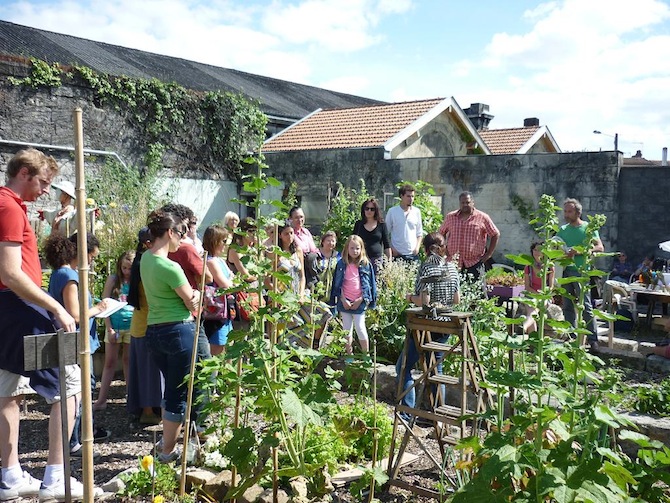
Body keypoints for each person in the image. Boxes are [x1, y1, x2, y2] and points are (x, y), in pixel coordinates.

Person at [0, 149, 97, 501]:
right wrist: (57, 307)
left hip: (7, 310)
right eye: (43, 182)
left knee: (7, 391)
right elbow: (10, 273)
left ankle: (10, 478)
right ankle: (56, 478)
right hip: (21, 305)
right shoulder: (9, 206)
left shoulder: (7, 204)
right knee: (71, 383)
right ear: (24, 173)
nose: (45, 191)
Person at [140, 209, 201, 463]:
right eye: (180, 233)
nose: (182, 238)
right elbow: (191, 301)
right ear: (169, 233)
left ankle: (172, 444)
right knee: (178, 394)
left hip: (154, 331)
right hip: (179, 331)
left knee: (171, 391)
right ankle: (168, 452)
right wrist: (196, 295)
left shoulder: (145, 258)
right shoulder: (171, 266)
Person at [44, 233, 111, 456]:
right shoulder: (69, 275)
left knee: (77, 390)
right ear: (81, 253)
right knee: (79, 390)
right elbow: (76, 315)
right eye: (92, 256)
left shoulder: (59, 273)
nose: (92, 261)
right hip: (76, 343)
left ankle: (77, 436)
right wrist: (100, 309)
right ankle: (74, 440)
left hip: (73, 342)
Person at [395, 232, 460, 411]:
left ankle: (407, 412)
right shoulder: (452, 268)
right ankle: (438, 415)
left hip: (426, 325)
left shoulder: (427, 267)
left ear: (425, 249)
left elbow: (424, 301)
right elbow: (456, 300)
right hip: (446, 325)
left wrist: (409, 297)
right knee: (436, 369)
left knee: (403, 367)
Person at [126, 228, 163, 425]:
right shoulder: (146, 265)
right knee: (149, 372)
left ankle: (147, 409)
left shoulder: (138, 263)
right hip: (148, 324)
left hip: (139, 323)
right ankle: (148, 411)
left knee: (142, 370)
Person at [557, 198, 604, 351]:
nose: (566, 214)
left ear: (578, 212)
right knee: (568, 306)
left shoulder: (588, 228)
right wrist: (562, 252)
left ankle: (593, 340)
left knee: (586, 306)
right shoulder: (563, 230)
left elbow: (599, 247)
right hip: (566, 270)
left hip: (582, 271)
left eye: (569, 211)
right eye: (565, 211)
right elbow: (556, 245)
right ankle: (571, 337)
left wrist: (583, 251)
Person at [94, 250, 135, 411]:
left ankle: (131, 397)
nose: (127, 272)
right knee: (109, 362)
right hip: (115, 326)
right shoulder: (113, 280)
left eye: (130, 268)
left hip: (131, 326)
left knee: (128, 361)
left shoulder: (136, 281)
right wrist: (109, 328)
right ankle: (101, 399)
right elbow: (104, 305)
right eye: (124, 268)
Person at [330, 235, 376, 354]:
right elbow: (337, 284)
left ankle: (366, 355)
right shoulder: (341, 264)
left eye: (357, 248)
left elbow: (370, 285)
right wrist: (343, 299)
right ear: (347, 249)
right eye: (352, 248)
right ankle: (348, 354)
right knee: (346, 329)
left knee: (360, 327)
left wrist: (361, 299)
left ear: (361, 249)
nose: (354, 251)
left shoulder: (365, 264)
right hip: (345, 301)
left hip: (359, 301)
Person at [438, 191, 500, 281]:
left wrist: (489, 254)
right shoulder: (451, 217)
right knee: (452, 291)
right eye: (462, 203)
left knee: (474, 291)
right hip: (453, 262)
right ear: (459, 203)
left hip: (474, 262)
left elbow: (495, 234)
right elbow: (441, 233)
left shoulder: (482, 217)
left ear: (473, 202)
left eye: (467, 202)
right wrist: (444, 250)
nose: (465, 205)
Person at [202, 224, 234, 356]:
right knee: (218, 351)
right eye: (224, 241)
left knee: (229, 348)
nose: (226, 244)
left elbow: (232, 278)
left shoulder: (219, 260)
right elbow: (226, 285)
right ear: (215, 241)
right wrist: (232, 282)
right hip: (217, 314)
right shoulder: (210, 261)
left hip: (226, 311)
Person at [520, 241, 555, 334]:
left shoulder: (549, 266)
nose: (536, 252)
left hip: (544, 296)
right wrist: (536, 295)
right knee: (532, 312)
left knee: (532, 312)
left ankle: (524, 327)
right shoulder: (528, 267)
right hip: (531, 294)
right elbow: (527, 286)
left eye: (539, 250)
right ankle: (533, 345)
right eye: (534, 250)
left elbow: (551, 286)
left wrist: (543, 295)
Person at [386, 184, 423, 262]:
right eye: (408, 196)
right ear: (401, 196)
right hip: (397, 254)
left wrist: (417, 248)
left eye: (412, 196)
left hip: (413, 254)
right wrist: (392, 249)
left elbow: (419, 233)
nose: (411, 199)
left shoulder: (416, 212)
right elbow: (385, 233)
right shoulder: (392, 212)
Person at [353, 198, 391, 275]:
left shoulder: (381, 225)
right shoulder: (358, 224)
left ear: (375, 211)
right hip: (361, 259)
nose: (369, 211)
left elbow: (387, 244)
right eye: (367, 209)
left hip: (377, 260)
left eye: (372, 209)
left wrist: (389, 262)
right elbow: (352, 242)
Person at [288, 206, 320, 288]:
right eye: (296, 218)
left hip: (310, 269)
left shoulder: (306, 232)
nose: (299, 220)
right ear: (290, 219)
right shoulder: (290, 234)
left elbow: (314, 249)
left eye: (301, 217)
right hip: (298, 270)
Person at [276, 224, 306, 298]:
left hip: (296, 295)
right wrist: (276, 293)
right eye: (286, 234)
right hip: (281, 295)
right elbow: (268, 278)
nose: (290, 236)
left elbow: (302, 276)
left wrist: (301, 293)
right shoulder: (276, 253)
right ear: (280, 235)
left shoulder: (298, 251)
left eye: (291, 233)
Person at [316, 230, 340, 304]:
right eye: (328, 240)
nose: (331, 243)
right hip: (317, 289)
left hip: (332, 291)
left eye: (333, 241)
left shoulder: (338, 256)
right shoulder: (316, 254)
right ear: (323, 242)